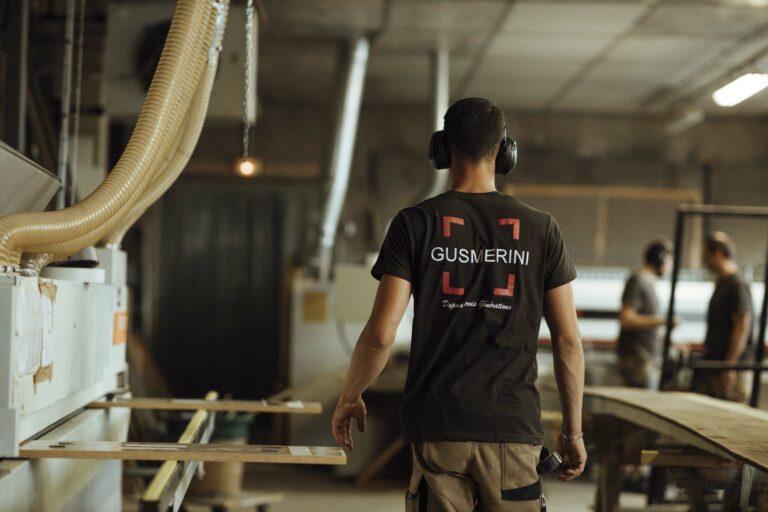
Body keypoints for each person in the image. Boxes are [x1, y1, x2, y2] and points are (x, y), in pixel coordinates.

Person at [331, 98, 586, 511]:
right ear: (505, 151)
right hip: (512, 428)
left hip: (438, 428)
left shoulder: (413, 224)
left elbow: (380, 334)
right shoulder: (542, 229)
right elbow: (568, 341)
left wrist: (350, 396)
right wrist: (573, 433)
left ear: (442, 148)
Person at [693, 231, 754, 402]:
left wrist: (729, 366)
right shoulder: (722, 283)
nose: (705, 260)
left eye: (707, 255)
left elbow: (742, 325)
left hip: (731, 369)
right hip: (718, 366)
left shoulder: (737, 284)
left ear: (718, 253)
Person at [616, 240, 673, 389]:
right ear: (662, 259)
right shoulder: (638, 281)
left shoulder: (648, 282)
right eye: (670, 260)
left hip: (645, 358)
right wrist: (663, 321)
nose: (671, 266)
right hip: (638, 360)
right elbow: (627, 318)